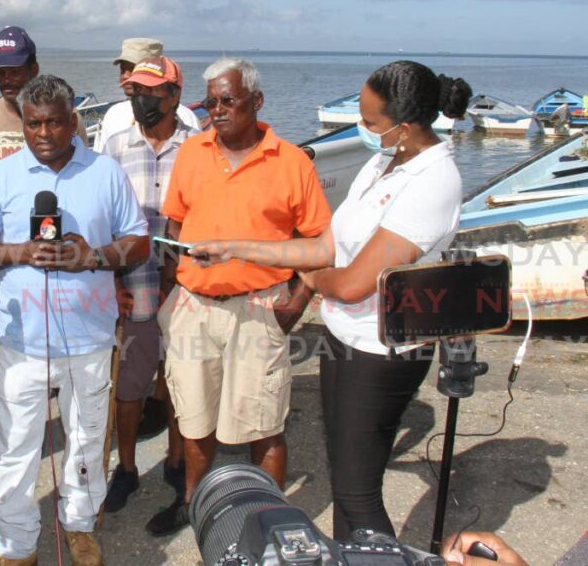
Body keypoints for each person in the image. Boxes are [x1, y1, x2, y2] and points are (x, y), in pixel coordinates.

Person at [192, 60, 472, 540]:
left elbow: (351, 283)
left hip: (383, 353)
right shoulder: (385, 160)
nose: (360, 128)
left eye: (369, 122)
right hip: (345, 339)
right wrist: (236, 247)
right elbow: (327, 248)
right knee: (345, 481)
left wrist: (301, 278)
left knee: (358, 491)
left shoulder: (433, 181)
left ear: (403, 127)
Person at [0, 74, 150, 566]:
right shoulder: (2, 176)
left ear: (73, 122)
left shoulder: (106, 172)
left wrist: (96, 256)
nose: (42, 133)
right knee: (16, 445)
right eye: (32, 124)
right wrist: (20, 252)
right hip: (22, 337)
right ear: (22, 124)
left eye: (53, 123)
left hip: (89, 336)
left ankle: (81, 526)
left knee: (87, 438)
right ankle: (15, 544)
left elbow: (139, 241)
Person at [157, 56, 332, 533]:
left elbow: (321, 244)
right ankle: (196, 510)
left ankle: (270, 520)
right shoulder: (192, 153)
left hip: (260, 309)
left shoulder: (292, 162)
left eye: (228, 99)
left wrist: (294, 305)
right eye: (210, 100)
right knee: (193, 420)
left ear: (256, 101)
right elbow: (174, 224)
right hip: (194, 309)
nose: (217, 109)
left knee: (263, 423)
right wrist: (175, 289)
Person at [0, 26, 89, 491]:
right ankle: (11, 455)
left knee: (63, 355)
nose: (9, 79)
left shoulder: (64, 116)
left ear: (34, 66)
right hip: (5, 259)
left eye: (17, 69)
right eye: (1, 72)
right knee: (5, 362)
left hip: (58, 259)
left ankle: (71, 454)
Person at [99, 56, 191, 532]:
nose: (141, 99)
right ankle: (128, 468)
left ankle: (177, 463)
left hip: (185, 284)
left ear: (174, 95)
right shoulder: (114, 147)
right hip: (133, 284)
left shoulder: (198, 148)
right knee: (131, 384)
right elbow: (101, 219)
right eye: (135, 90)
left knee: (178, 379)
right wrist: (111, 282)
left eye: (152, 92)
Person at [92, 38, 200, 153]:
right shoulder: (114, 115)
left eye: (133, 69)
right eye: (123, 69)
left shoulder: (186, 118)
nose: (125, 76)